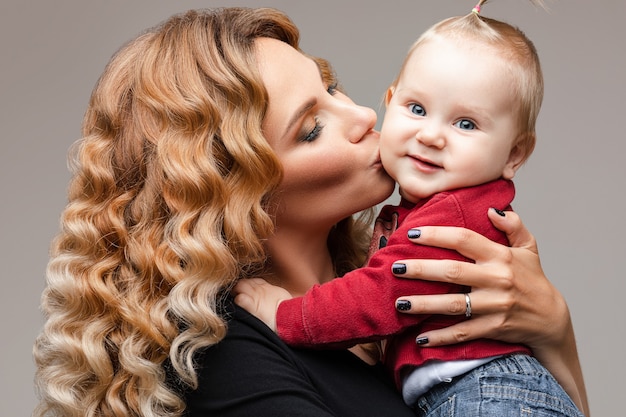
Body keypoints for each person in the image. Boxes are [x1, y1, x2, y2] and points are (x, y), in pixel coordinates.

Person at [33, 6, 588, 417]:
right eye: (311, 128)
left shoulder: (389, 283)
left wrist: (554, 330)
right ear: (235, 188)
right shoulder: (226, 355)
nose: (365, 115)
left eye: (332, 87)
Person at [233, 2, 587, 416]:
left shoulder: (451, 217)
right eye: (416, 109)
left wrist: (286, 316)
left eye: (466, 124)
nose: (431, 136)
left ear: (515, 154)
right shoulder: (239, 355)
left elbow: (375, 296)